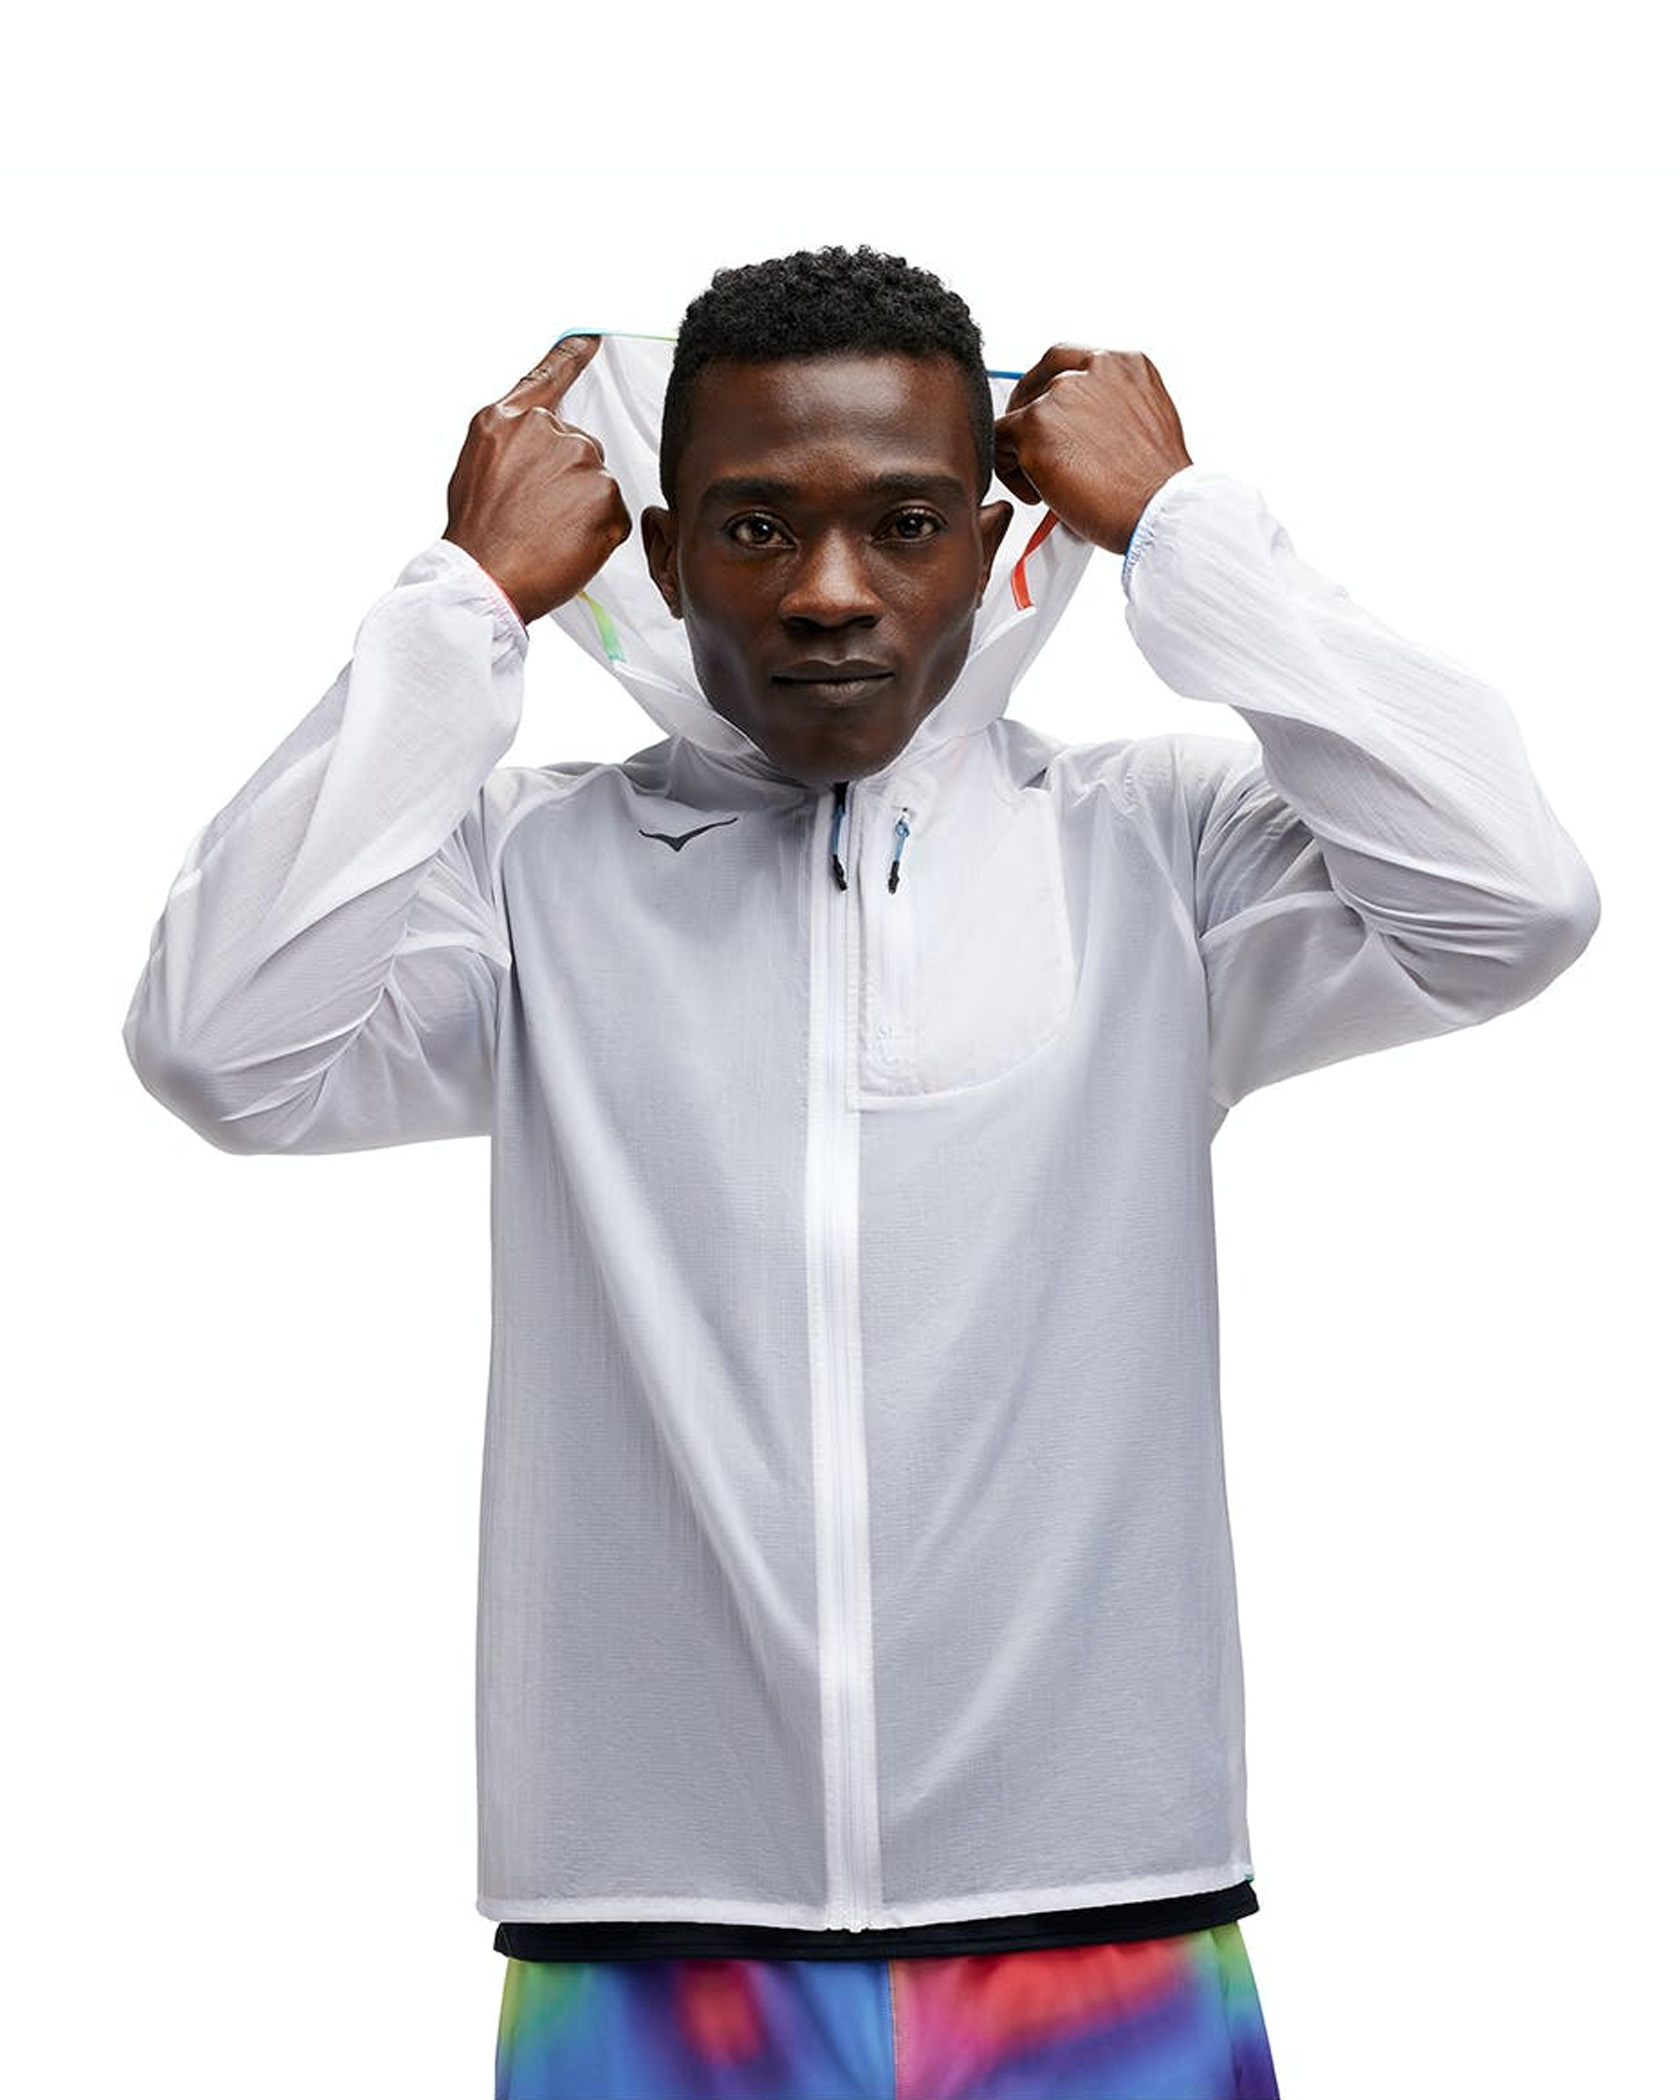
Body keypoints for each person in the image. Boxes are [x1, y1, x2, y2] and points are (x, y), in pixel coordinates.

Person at [121, 245, 1601, 2100]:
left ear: (992, 550)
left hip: (1101, 1920)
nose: (831, 591)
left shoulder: (1155, 851)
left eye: (904, 524)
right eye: (757, 526)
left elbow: (1513, 903)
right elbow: (220, 1047)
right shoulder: (528, 879)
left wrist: (1191, 532)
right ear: (666, 559)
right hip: (657, 1942)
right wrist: (460, 610)